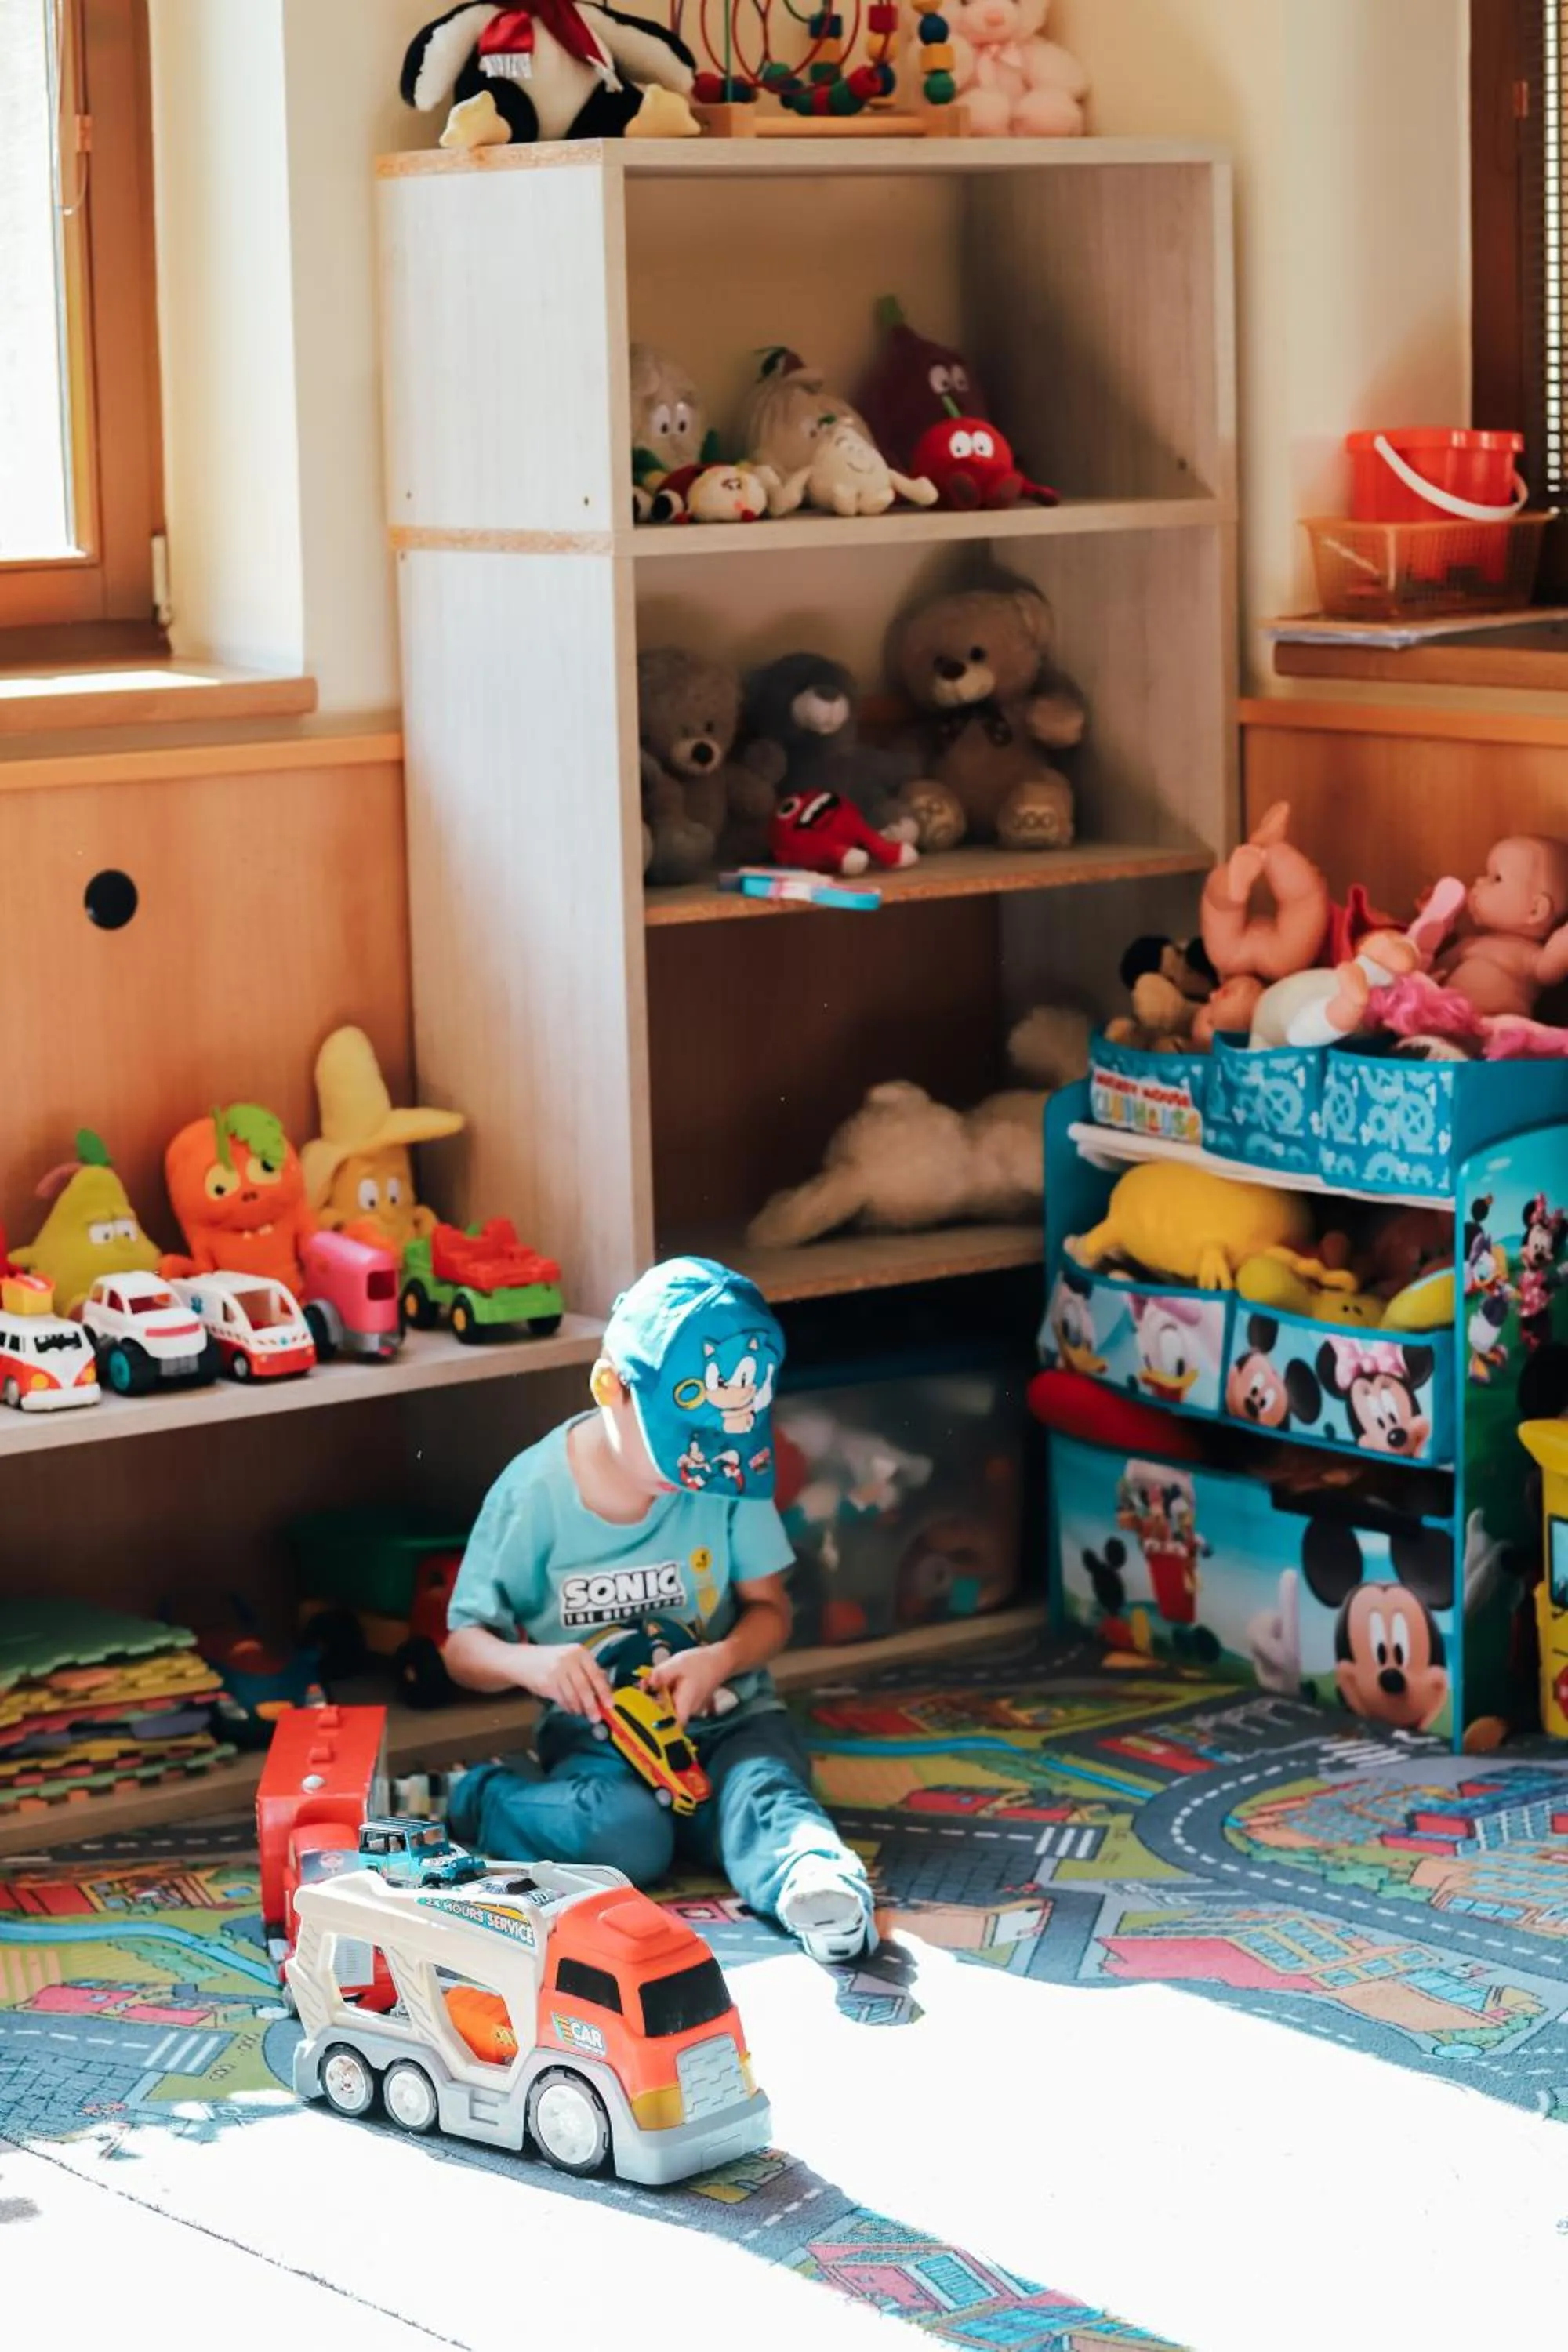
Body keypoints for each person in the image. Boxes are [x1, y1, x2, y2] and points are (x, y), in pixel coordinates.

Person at [444, 1257, 877, 1965]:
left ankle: (815, 1882)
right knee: (625, 1838)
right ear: (610, 1387)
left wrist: (721, 1658)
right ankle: (485, 1797)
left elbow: (770, 1610)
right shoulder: (533, 1494)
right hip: (598, 1742)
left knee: (764, 1793)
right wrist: (535, 1664)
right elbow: (463, 1646)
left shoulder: (728, 1474)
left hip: (729, 1716)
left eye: (716, 1445)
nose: (699, 1467)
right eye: (683, 1444)